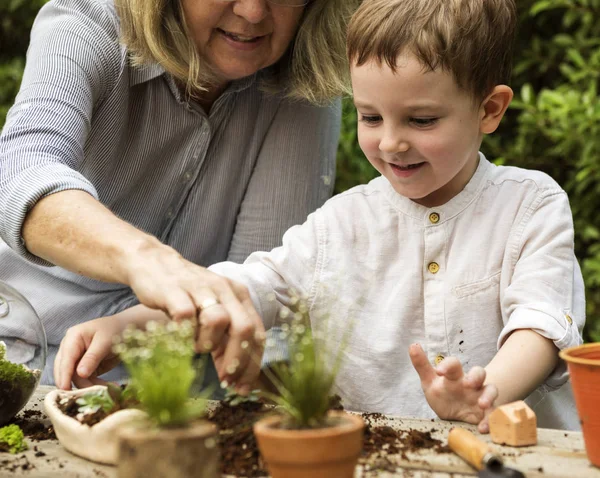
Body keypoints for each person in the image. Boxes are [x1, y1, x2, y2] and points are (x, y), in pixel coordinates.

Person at [55, 0, 585, 431]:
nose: (392, 142)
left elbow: (541, 326)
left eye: (422, 120)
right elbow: (250, 289)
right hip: (377, 459)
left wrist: (486, 392)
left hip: (516, 457)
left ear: (490, 110)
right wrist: (134, 324)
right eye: (370, 116)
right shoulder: (341, 225)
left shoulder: (529, 205)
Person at [0, 0, 361, 390]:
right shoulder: (91, 21)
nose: (254, 12)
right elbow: (21, 168)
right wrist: (146, 260)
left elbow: (260, 290)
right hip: (16, 356)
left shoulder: (304, 83)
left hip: (174, 394)